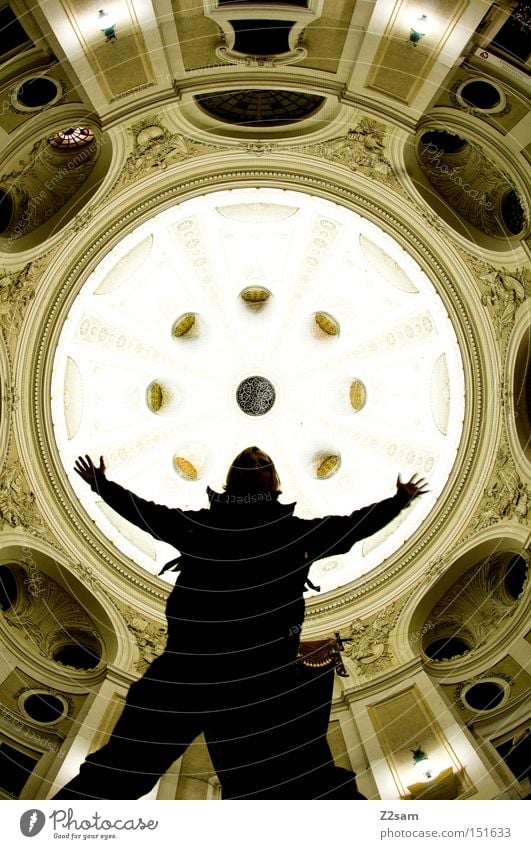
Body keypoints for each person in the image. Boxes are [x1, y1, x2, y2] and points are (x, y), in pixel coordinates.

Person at [53, 447, 428, 800]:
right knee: (122, 770)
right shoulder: (208, 527)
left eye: (263, 463)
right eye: (250, 465)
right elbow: (151, 515)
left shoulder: (288, 532)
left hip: (250, 674)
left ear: (273, 480)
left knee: (294, 785)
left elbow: (349, 528)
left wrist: (397, 501)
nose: (257, 468)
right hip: (195, 668)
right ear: (236, 481)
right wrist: (102, 486)